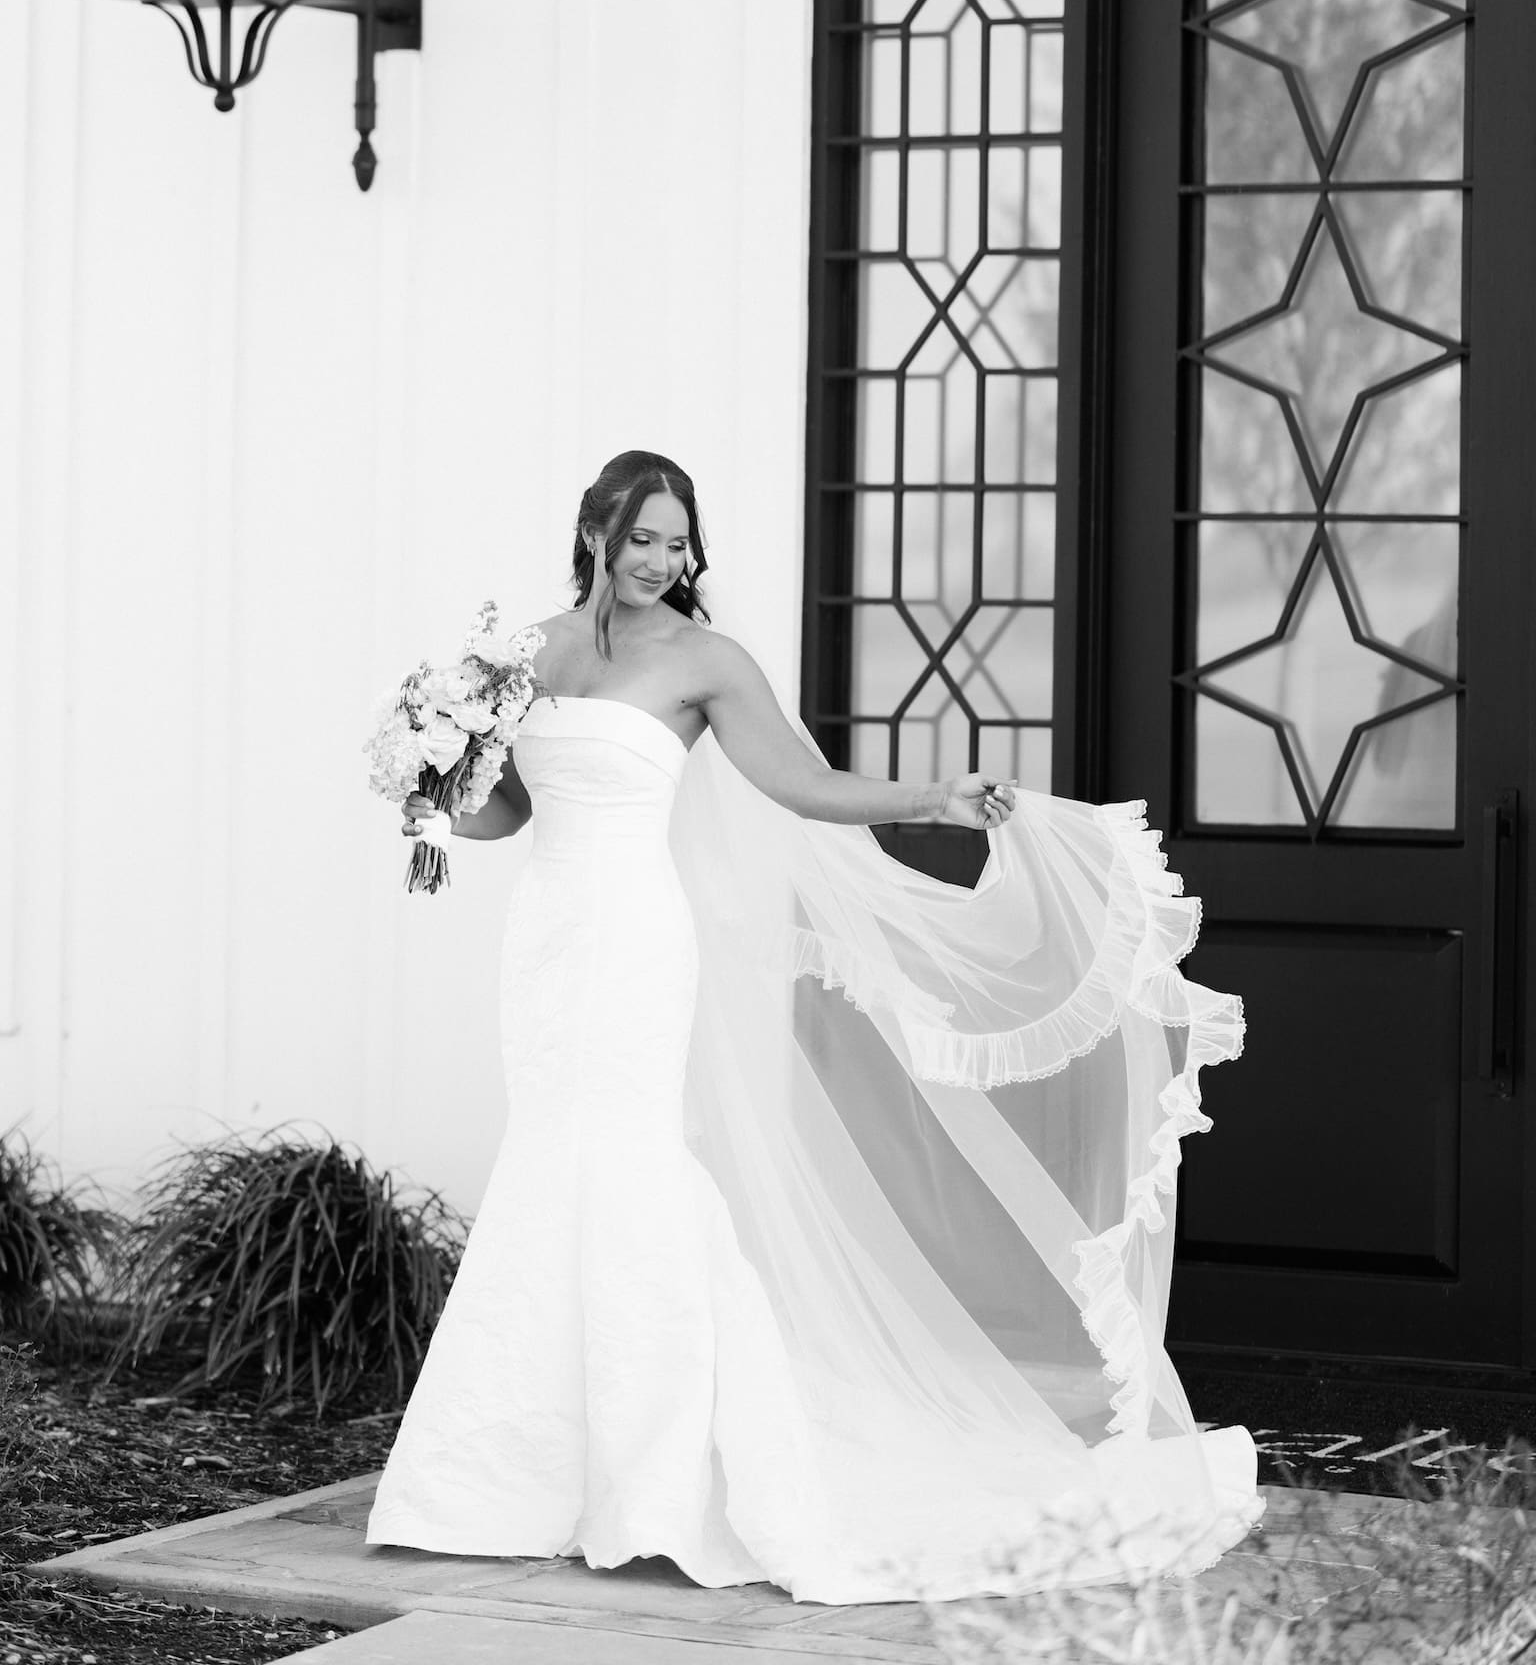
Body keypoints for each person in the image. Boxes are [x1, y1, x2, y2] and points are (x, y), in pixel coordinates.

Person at [365, 449, 1261, 1604]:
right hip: (545, 944)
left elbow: (799, 785)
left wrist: (933, 799)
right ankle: (509, 1481)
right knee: (549, 1161)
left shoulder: (706, 661)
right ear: (593, 532)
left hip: (640, 942)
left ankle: (656, 1477)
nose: (662, 560)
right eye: (642, 538)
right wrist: (430, 788)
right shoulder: (526, 654)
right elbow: (505, 814)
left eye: (678, 542)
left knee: (631, 1165)